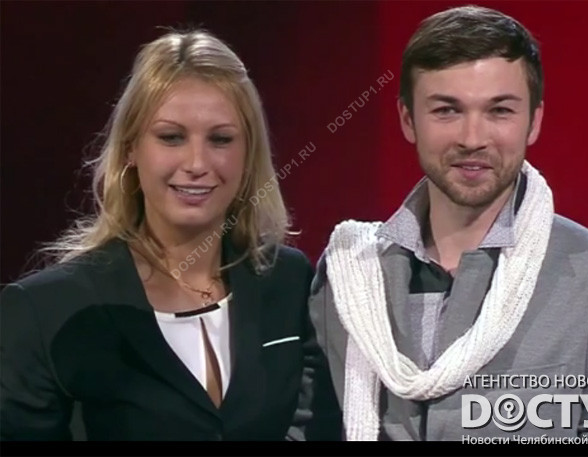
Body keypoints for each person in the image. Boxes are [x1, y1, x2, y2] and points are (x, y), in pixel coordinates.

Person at [298, 5, 588, 441]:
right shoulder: (349, 275)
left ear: (534, 121)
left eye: (499, 111)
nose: (472, 138)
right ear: (408, 120)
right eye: (447, 110)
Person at [0, 29, 340, 441]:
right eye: (171, 137)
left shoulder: (287, 280)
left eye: (220, 139)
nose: (197, 163)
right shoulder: (45, 310)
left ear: (248, 153)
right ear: (130, 148)